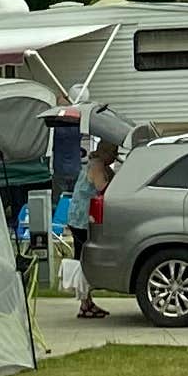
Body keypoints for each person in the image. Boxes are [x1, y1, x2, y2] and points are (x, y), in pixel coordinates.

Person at [70, 136, 121, 320]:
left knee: (84, 258)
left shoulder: (102, 165)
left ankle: (87, 302)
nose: (115, 156)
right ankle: (84, 304)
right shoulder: (97, 166)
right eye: (113, 152)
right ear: (105, 151)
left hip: (84, 219)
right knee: (83, 260)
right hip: (82, 220)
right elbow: (103, 187)